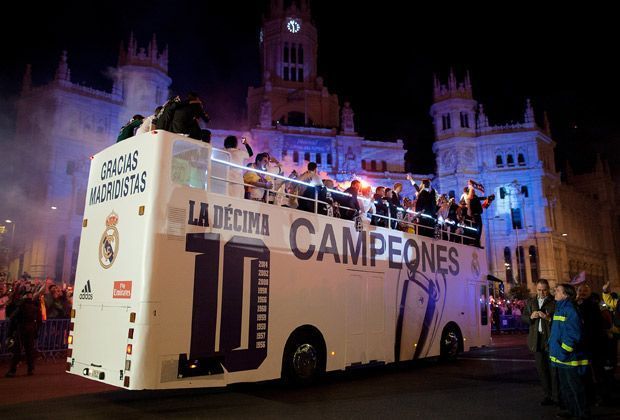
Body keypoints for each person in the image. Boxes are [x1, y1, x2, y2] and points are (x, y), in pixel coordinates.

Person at [549, 283, 590, 419]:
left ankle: (581, 414)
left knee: (575, 388)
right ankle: (572, 410)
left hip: (569, 358)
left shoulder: (570, 309)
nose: (555, 292)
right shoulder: (560, 308)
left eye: (558, 290)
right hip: (562, 358)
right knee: (566, 388)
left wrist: (562, 352)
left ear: (565, 294)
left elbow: (572, 335)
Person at [521, 279, 558, 406]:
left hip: (549, 338)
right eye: (539, 290)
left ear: (548, 289)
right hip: (536, 339)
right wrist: (530, 317)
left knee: (553, 370)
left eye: (544, 290)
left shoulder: (554, 301)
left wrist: (548, 318)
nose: (541, 292)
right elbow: (523, 317)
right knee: (542, 370)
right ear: (535, 289)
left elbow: (558, 321)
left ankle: (556, 396)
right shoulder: (531, 302)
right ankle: (547, 395)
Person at [5, 282, 43, 377]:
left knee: (17, 350)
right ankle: (31, 369)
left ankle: (13, 370)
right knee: (30, 350)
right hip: (31, 330)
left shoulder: (21, 306)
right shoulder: (35, 307)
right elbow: (39, 321)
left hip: (21, 329)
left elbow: (12, 318)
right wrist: (36, 331)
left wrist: (10, 333)